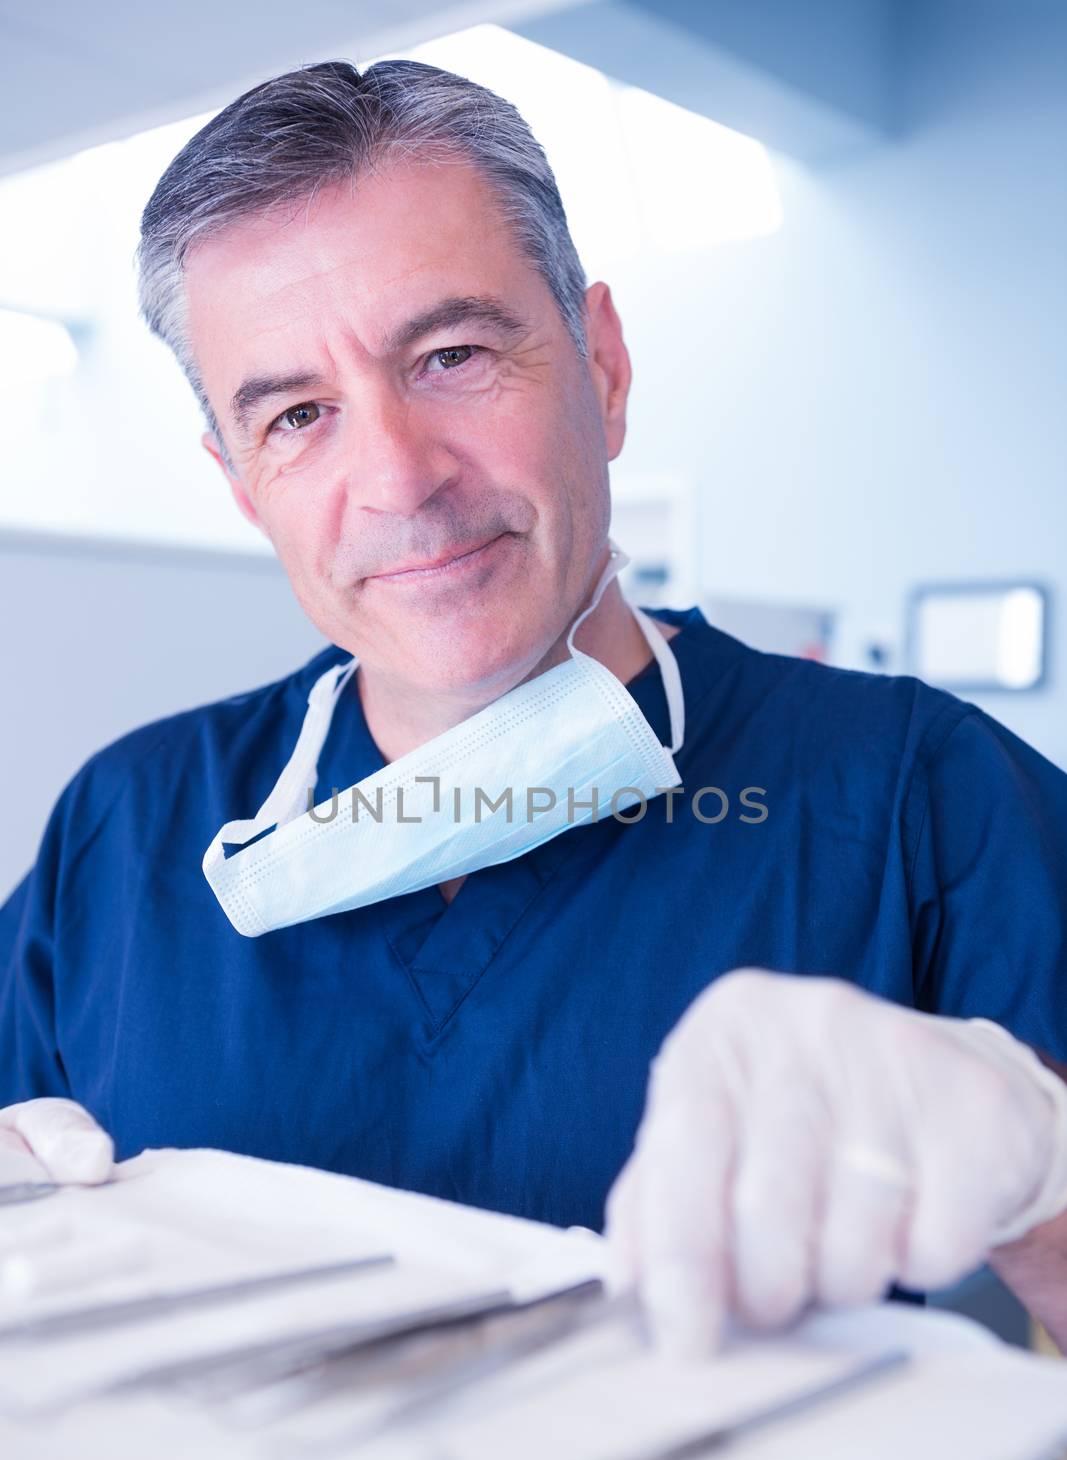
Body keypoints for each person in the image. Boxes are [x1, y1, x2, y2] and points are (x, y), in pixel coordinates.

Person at [2, 59, 1066, 1359]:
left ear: (602, 366)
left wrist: (1043, 1179)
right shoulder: (127, 825)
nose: (398, 477)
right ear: (239, 485)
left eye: (450, 355)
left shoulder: (920, 799)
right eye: (297, 415)